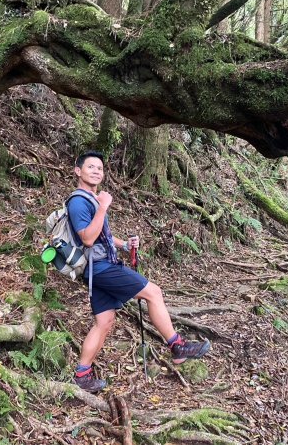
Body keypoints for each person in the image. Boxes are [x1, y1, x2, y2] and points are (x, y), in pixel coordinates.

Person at [68, 150, 211, 393]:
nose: (96, 171)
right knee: (153, 293)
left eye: (100, 168)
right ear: (78, 171)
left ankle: (82, 374)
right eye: (90, 167)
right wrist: (103, 207)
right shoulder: (78, 201)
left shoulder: (91, 200)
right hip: (101, 268)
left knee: (104, 321)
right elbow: (88, 239)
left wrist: (123, 245)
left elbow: (103, 236)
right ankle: (177, 346)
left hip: (98, 269)